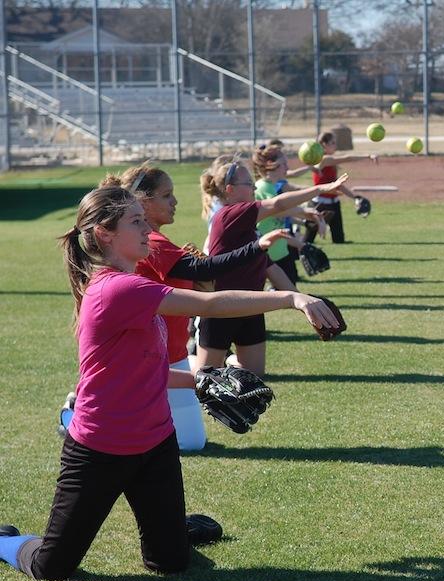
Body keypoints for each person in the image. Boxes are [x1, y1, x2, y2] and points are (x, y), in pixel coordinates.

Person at [0, 186, 340, 581]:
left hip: (154, 443)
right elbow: (209, 305)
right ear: (105, 234)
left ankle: (173, 530)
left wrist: (198, 380)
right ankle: (6, 540)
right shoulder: (117, 287)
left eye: (144, 219)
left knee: (170, 563)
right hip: (99, 448)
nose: (147, 229)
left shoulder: (131, 282)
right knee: (51, 567)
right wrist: (290, 299)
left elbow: (145, 370)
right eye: (135, 221)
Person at [64, 165, 290, 452]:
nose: (175, 202)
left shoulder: (148, 246)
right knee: (183, 442)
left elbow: (198, 285)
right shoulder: (135, 265)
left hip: (168, 353)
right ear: (143, 201)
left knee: (184, 442)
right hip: (149, 368)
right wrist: (286, 293)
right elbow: (209, 295)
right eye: (166, 195)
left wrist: (201, 377)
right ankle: (76, 410)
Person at [197, 157, 349, 376]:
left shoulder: (249, 226)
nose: (254, 187)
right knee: (206, 377)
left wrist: (300, 299)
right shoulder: (230, 215)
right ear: (230, 190)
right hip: (222, 309)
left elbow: (268, 265)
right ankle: (189, 360)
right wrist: (321, 188)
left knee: (254, 376)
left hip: (252, 307)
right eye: (248, 184)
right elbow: (277, 204)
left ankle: (229, 363)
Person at [288, 131, 378, 244]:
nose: (335, 145)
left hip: (334, 203)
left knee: (339, 240)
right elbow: (346, 158)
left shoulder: (329, 160)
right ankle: (296, 237)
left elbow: (337, 185)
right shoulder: (325, 159)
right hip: (320, 203)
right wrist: (368, 156)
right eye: (332, 143)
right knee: (308, 240)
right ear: (324, 145)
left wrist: (355, 197)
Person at [251, 144, 323, 285]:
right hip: (269, 252)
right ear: (272, 165)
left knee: (290, 288)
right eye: (284, 164)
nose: (288, 168)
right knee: (285, 292)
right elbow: (279, 211)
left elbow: (283, 214)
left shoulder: (271, 186)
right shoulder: (263, 187)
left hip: (280, 249)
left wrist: (300, 242)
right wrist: (309, 213)